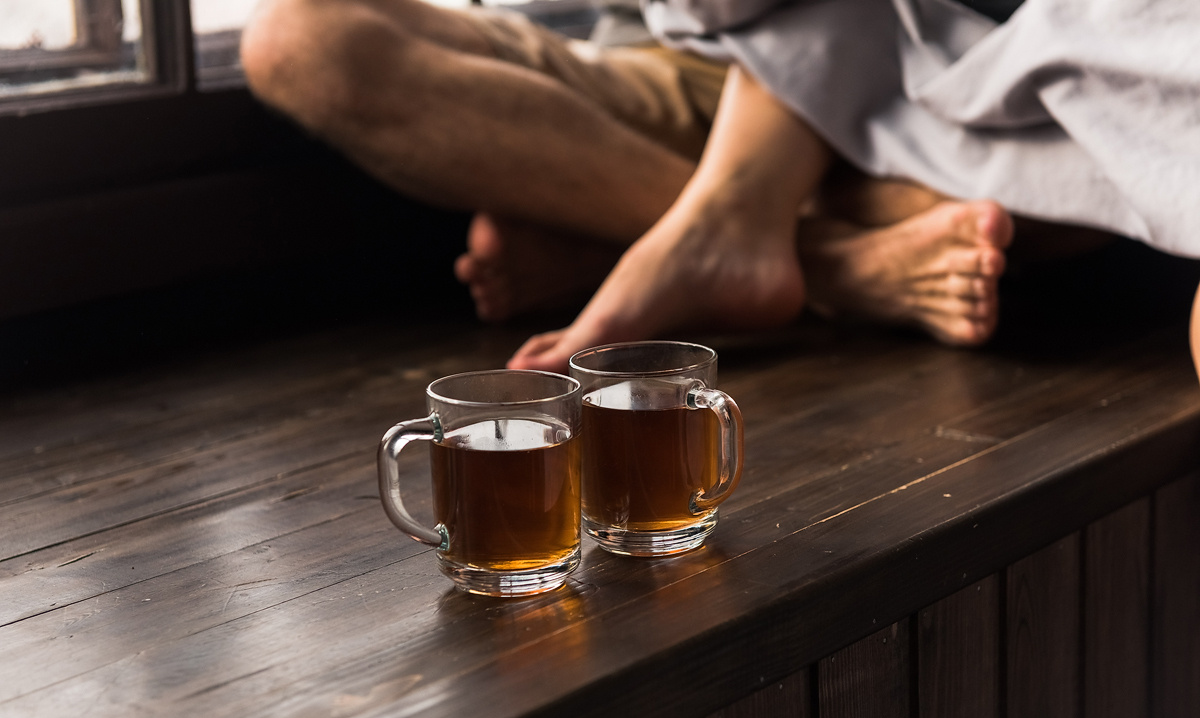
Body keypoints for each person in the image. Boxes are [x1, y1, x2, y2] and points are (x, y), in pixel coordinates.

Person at [240, 0, 1200, 378]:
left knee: (1060, 195)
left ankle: (663, 232)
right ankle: (817, 262)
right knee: (303, 42)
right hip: (655, 75)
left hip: (906, 93)